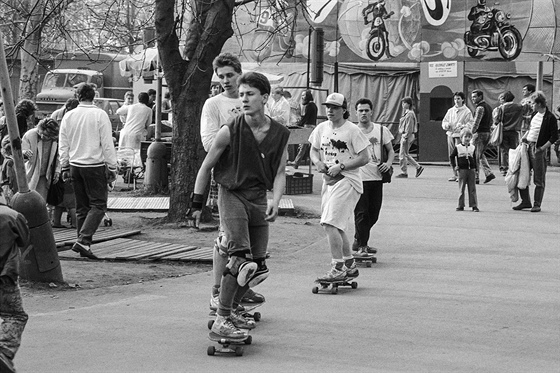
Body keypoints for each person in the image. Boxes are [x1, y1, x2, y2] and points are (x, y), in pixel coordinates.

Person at [191, 72, 290, 338]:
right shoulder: (230, 130)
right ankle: (222, 318)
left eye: (250, 94)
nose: (244, 98)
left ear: (265, 98)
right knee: (240, 261)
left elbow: (280, 172)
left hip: (258, 197)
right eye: (242, 93)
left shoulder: (280, 134)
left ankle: (232, 308)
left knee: (257, 268)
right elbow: (207, 166)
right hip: (232, 193)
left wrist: (276, 200)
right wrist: (196, 203)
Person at [200, 53, 264, 311]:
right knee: (226, 237)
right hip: (227, 175)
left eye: (230, 75)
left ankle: (241, 287)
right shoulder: (213, 104)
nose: (226, 80)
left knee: (246, 238)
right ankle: (218, 291)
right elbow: (208, 142)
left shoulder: (252, 98)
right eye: (221, 76)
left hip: (252, 178)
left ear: (240, 73)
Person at [309, 92, 369, 282]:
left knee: (329, 223)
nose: (330, 111)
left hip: (348, 180)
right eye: (328, 107)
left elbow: (364, 157)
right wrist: (317, 162)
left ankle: (338, 267)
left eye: (335, 108)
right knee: (337, 224)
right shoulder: (321, 128)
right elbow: (314, 149)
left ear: (344, 110)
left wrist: (341, 166)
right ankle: (350, 265)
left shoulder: (352, 130)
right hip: (329, 181)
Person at [59, 83, 117, 259]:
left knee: (82, 207)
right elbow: (107, 143)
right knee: (99, 205)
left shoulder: (69, 116)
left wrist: (64, 165)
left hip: (75, 165)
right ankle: (84, 241)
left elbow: (64, 143)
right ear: (94, 97)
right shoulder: (100, 115)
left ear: (78, 97)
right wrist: (112, 166)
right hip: (94, 164)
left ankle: (82, 242)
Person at [352, 98, 394, 257]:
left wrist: (388, 164)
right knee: (361, 213)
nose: (363, 113)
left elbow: (390, 151)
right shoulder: (352, 131)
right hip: (358, 178)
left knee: (374, 214)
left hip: (377, 178)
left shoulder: (381, 130)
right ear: (356, 112)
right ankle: (362, 245)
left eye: (366, 110)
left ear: (371, 112)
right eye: (360, 110)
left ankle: (359, 238)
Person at [0, 187, 30, 373]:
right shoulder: (12, 216)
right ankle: (4, 350)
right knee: (15, 316)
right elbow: (24, 240)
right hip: (4, 275)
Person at [513, 91, 558, 212]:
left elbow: (554, 136)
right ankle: (525, 201)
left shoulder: (550, 117)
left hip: (538, 149)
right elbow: (531, 128)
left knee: (539, 178)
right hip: (527, 145)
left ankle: (537, 203)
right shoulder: (534, 114)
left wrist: (542, 148)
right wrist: (525, 137)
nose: (531, 106)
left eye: (533, 103)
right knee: (523, 174)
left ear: (539, 103)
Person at [21, 118, 60, 201]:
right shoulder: (30, 135)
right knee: (27, 199)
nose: (42, 136)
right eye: (41, 133)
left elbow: (59, 156)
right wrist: (25, 153)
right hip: (30, 172)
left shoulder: (56, 140)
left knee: (41, 201)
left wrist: (57, 170)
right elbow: (22, 150)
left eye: (46, 135)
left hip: (45, 175)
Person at [441, 92, 473, 181]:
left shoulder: (467, 111)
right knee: (451, 155)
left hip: (460, 136)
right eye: (455, 99)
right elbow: (444, 121)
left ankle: (461, 174)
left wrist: (463, 126)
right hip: (450, 134)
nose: (456, 101)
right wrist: (446, 125)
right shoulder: (450, 110)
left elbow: (471, 123)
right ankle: (454, 174)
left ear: (463, 99)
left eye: (458, 99)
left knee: (460, 155)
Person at [118, 92, 152, 165]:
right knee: (135, 156)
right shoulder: (148, 110)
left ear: (138, 99)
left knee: (124, 154)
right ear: (147, 100)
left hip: (125, 132)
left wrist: (125, 119)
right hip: (137, 134)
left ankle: (124, 169)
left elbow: (118, 111)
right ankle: (131, 170)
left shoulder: (131, 106)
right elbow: (148, 123)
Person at [493, 91, 523, 175]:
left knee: (504, 150)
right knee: (514, 149)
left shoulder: (501, 108)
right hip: (515, 131)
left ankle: (504, 168)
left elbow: (496, 121)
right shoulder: (519, 107)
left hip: (504, 131)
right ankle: (513, 166)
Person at [450, 128, 479, 212]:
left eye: (469, 137)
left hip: (471, 169)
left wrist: (476, 169)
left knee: (472, 188)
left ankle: (474, 205)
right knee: (461, 188)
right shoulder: (458, 147)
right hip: (462, 170)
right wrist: (455, 166)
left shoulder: (472, 147)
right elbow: (452, 156)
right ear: (461, 137)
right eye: (465, 137)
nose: (467, 139)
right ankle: (460, 205)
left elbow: (474, 158)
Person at [470, 89, 496, 184]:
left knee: (475, 155)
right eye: (472, 97)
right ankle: (488, 173)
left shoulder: (480, 108)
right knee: (480, 154)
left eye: (475, 97)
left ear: (480, 97)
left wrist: (471, 133)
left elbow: (476, 122)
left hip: (480, 134)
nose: (473, 99)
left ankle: (475, 177)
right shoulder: (489, 107)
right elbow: (491, 121)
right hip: (487, 133)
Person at [396, 97, 424, 178]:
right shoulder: (407, 113)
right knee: (406, 154)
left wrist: (405, 136)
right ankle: (418, 167)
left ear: (408, 104)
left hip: (407, 135)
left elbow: (409, 126)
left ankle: (404, 172)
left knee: (402, 155)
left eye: (404, 103)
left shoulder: (409, 114)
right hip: (407, 135)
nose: (402, 105)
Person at [290, 90, 318, 169]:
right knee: (309, 146)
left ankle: (296, 162)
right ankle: (297, 162)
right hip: (312, 126)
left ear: (307, 96)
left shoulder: (309, 106)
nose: (302, 97)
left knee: (303, 145)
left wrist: (298, 124)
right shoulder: (313, 105)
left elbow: (306, 118)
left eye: (303, 95)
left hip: (308, 127)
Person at [1, 136, 17, 206]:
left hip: (4, 187)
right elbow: (10, 177)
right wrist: (13, 188)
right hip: (8, 188)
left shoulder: (5, 160)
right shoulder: (10, 161)